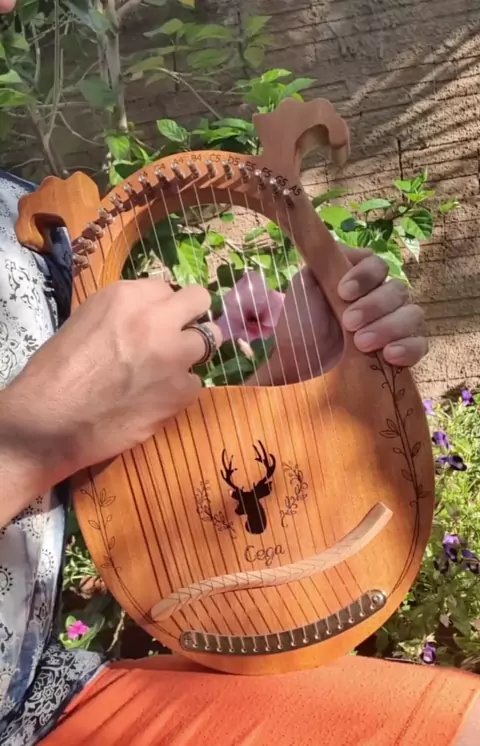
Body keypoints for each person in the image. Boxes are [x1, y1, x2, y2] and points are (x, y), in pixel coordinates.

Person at [1, 6, 480, 745]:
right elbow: (45, 444)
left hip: (44, 700)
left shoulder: (16, 212)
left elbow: (138, 495)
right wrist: (33, 439)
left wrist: (300, 374)